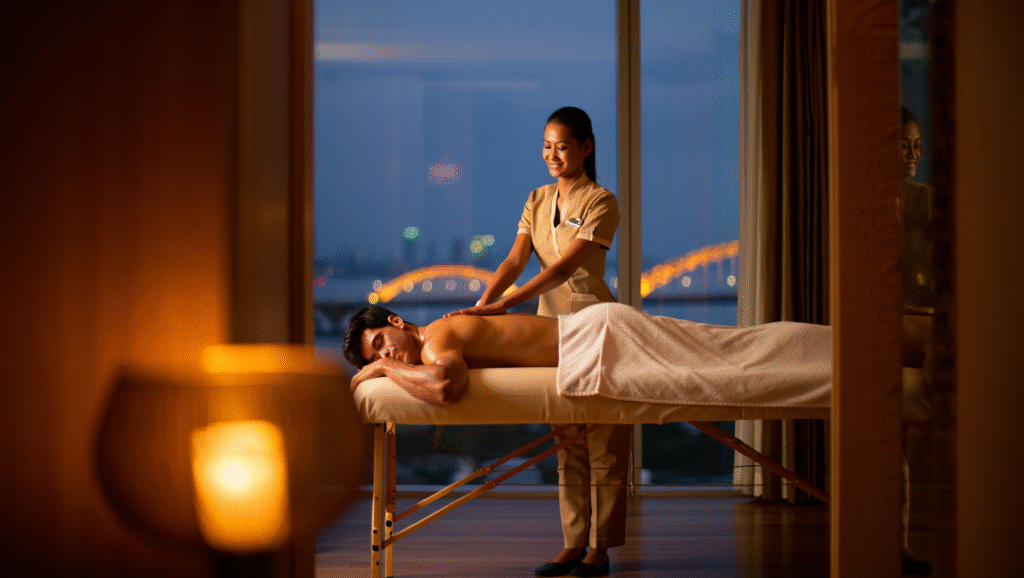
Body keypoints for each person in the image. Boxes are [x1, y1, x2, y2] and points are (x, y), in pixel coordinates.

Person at [444, 106, 625, 577]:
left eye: (562, 146)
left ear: (586, 147)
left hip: (594, 326)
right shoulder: (537, 198)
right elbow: (514, 259)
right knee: (566, 439)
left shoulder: (601, 202)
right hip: (548, 333)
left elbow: (562, 269)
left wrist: (504, 307)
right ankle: (571, 543)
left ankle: (599, 550)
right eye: (547, 146)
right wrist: (484, 304)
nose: (553, 155)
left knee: (602, 440)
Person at [898, 106, 934, 576]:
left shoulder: (926, 201)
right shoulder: (866, 205)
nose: (913, 153)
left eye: (918, 144)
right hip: (895, 335)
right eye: (904, 143)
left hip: (920, 332)